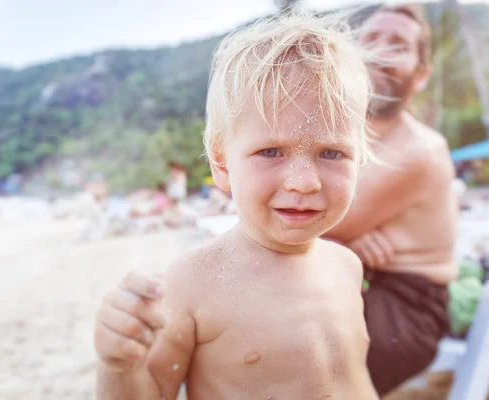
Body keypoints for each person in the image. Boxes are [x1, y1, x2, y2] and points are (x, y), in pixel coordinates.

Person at [94, 11, 380, 400]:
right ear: (222, 163)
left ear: (360, 157)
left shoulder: (346, 266)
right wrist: (121, 366)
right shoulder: (193, 282)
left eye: (332, 152)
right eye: (271, 151)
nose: (303, 182)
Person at [324, 4, 458, 396]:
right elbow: (304, 214)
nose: (380, 51)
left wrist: (336, 234)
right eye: (371, 40)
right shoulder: (338, 132)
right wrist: (345, 239)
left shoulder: (420, 151)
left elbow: (305, 221)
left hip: (407, 306)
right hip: (363, 277)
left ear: (420, 75)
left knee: (299, 331)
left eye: (397, 44)